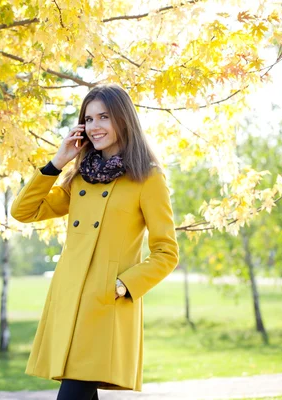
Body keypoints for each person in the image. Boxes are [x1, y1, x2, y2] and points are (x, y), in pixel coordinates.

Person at [10, 84, 179, 400]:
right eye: (88, 119)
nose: (95, 126)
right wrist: (57, 162)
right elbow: (23, 210)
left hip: (105, 307)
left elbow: (166, 252)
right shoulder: (80, 176)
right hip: (70, 303)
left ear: (122, 119)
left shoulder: (147, 177)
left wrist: (121, 286)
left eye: (103, 117)